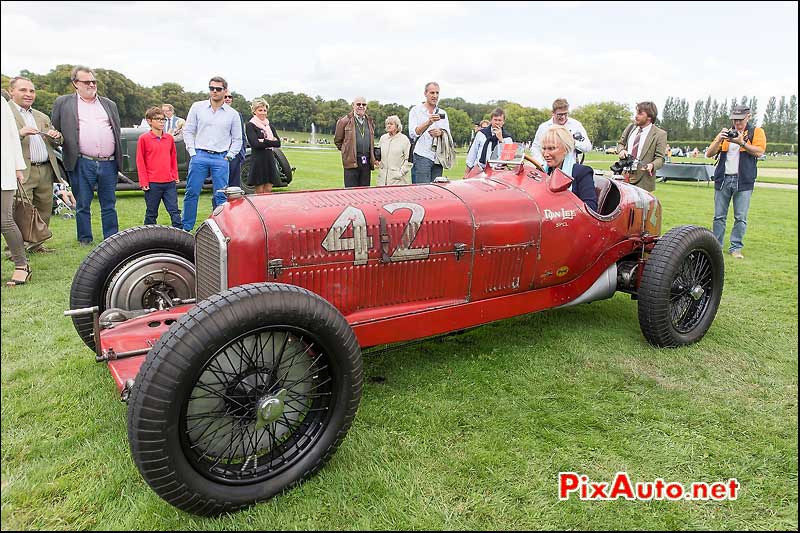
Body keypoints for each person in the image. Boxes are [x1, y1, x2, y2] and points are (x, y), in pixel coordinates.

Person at [51, 65, 123, 246]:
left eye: (93, 81)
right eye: (86, 81)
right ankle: (85, 238)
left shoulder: (109, 104)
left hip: (109, 162)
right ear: (75, 84)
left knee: (109, 204)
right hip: (82, 161)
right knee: (83, 204)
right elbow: (55, 129)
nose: (91, 84)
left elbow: (115, 129)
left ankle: (112, 238)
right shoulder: (63, 103)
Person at [7, 76, 74, 253]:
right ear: (11, 91)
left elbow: (57, 142)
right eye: (23, 90)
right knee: (21, 211)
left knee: (44, 208)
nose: (29, 94)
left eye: (32, 91)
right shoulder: (5, 114)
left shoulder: (41, 116)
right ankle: (14, 249)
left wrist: (56, 136)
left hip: (45, 168)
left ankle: (36, 245)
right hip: (21, 170)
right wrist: (20, 133)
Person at [181, 76, 243, 232]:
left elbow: (237, 139)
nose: (214, 92)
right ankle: (186, 228)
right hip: (199, 155)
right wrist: (192, 152)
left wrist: (229, 156)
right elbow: (188, 130)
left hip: (221, 158)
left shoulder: (232, 114)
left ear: (225, 91)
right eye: (211, 88)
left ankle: (220, 228)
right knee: (192, 192)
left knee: (221, 196)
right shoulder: (197, 107)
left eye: (218, 89)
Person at [705, 104, 766, 259]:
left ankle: (736, 248)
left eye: (740, 120)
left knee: (740, 217)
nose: (737, 123)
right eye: (735, 120)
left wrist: (742, 143)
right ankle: (716, 246)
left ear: (748, 117)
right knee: (719, 216)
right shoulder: (725, 134)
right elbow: (709, 154)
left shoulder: (756, 132)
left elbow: (760, 152)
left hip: (744, 180)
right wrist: (719, 139)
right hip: (723, 178)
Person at [136, 106, 181, 228]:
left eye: (163, 119)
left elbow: (173, 158)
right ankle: (147, 237)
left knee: (174, 211)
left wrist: (175, 175)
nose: (161, 122)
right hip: (152, 184)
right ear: (149, 121)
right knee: (151, 213)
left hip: (169, 183)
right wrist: (143, 181)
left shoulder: (169, 139)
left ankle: (182, 236)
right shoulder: (143, 139)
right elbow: (140, 161)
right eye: (158, 119)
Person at [2, 99, 31, 286]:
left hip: (3, 169)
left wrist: (18, 167)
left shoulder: (2, 104)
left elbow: (11, 135)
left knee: (4, 220)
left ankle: (22, 266)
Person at [540, 126, 598, 212]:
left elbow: (591, 207)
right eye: (544, 149)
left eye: (551, 148)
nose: (546, 154)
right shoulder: (542, 172)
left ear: (566, 149)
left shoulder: (582, 172)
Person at [615, 101, 668, 192]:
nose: (636, 116)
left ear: (649, 117)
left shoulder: (660, 134)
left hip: (643, 180)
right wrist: (621, 150)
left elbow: (660, 158)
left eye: (640, 114)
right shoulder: (630, 127)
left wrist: (652, 165)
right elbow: (621, 143)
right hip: (623, 176)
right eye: (636, 113)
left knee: (639, 206)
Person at [408, 82, 451, 184]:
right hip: (421, 155)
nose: (435, 96)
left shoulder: (443, 113)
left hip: (438, 157)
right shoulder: (415, 111)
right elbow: (413, 133)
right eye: (432, 93)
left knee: (436, 191)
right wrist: (429, 122)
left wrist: (440, 132)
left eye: (437, 93)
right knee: (421, 190)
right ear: (425, 93)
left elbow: (448, 134)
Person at [531, 98, 591, 166]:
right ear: (553, 113)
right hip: (548, 168)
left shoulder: (576, 125)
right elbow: (535, 147)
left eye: (565, 114)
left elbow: (588, 147)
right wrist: (541, 164)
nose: (563, 117)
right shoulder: (543, 127)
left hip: (570, 169)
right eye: (559, 114)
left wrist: (574, 142)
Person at [334, 96, 376, 188]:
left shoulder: (370, 121)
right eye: (358, 104)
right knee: (351, 192)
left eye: (364, 104)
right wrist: (347, 151)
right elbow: (338, 141)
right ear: (353, 105)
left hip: (366, 161)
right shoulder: (344, 121)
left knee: (364, 192)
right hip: (351, 161)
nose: (361, 106)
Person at [245, 98, 282, 194]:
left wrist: (263, 141)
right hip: (258, 159)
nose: (263, 113)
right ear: (254, 111)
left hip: (269, 159)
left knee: (268, 189)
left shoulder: (270, 126)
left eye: (265, 110)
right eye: (260, 110)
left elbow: (278, 143)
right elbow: (255, 144)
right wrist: (270, 141)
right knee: (260, 191)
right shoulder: (250, 125)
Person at [465, 107, 513, 173]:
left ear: (503, 122)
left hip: (499, 171)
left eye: (499, 120)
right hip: (480, 169)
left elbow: (508, 158)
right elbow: (473, 153)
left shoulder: (508, 138)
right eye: (495, 120)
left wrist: (501, 140)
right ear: (491, 120)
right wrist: (466, 173)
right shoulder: (481, 134)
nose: (497, 123)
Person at [376, 115, 412, 186]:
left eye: (391, 124)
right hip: (382, 180)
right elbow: (378, 155)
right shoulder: (383, 138)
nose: (388, 126)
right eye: (387, 124)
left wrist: (400, 173)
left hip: (398, 181)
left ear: (397, 126)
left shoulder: (404, 139)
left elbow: (409, 160)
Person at [224, 91, 247, 188]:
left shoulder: (237, 114)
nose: (228, 98)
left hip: (234, 154)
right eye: (225, 97)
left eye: (230, 97)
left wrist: (241, 153)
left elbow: (242, 136)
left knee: (234, 186)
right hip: (220, 153)